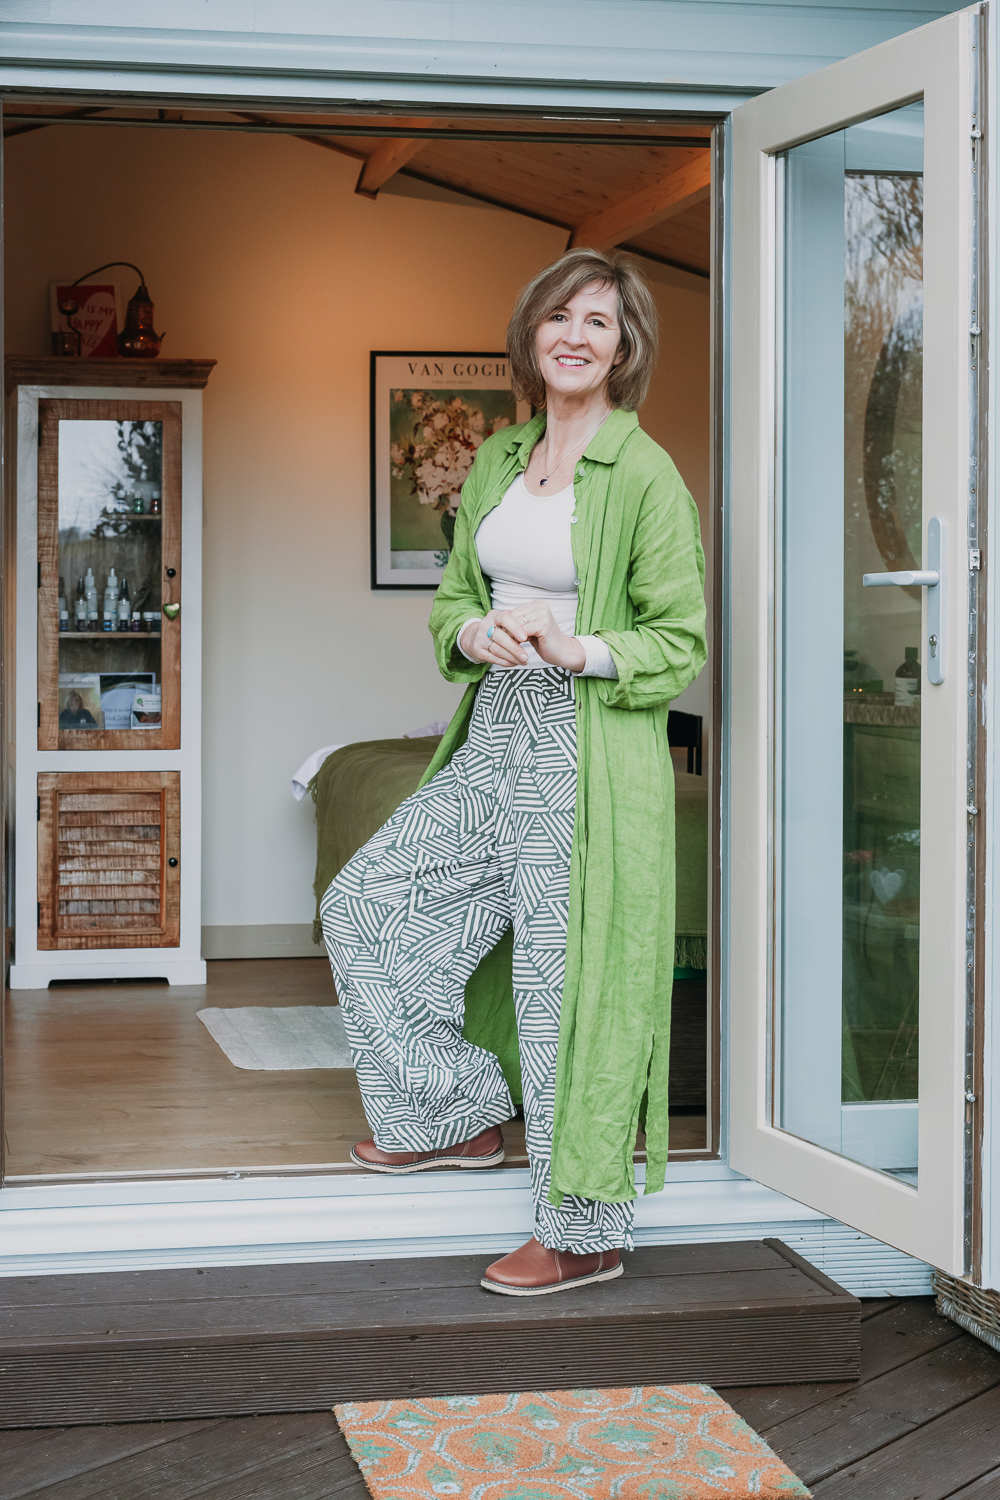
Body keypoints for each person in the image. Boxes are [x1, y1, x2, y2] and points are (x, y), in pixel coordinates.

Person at [322, 247, 706, 1296]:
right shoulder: (500, 456)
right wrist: (472, 632)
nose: (576, 336)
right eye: (560, 317)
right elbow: (454, 595)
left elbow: (680, 640)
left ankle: (583, 1229)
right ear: (531, 335)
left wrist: (576, 646)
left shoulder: (645, 474)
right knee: (367, 904)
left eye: (599, 322)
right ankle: (452, 1114)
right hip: (496, 730)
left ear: (624, 349)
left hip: (589, 749)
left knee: (561, 984)